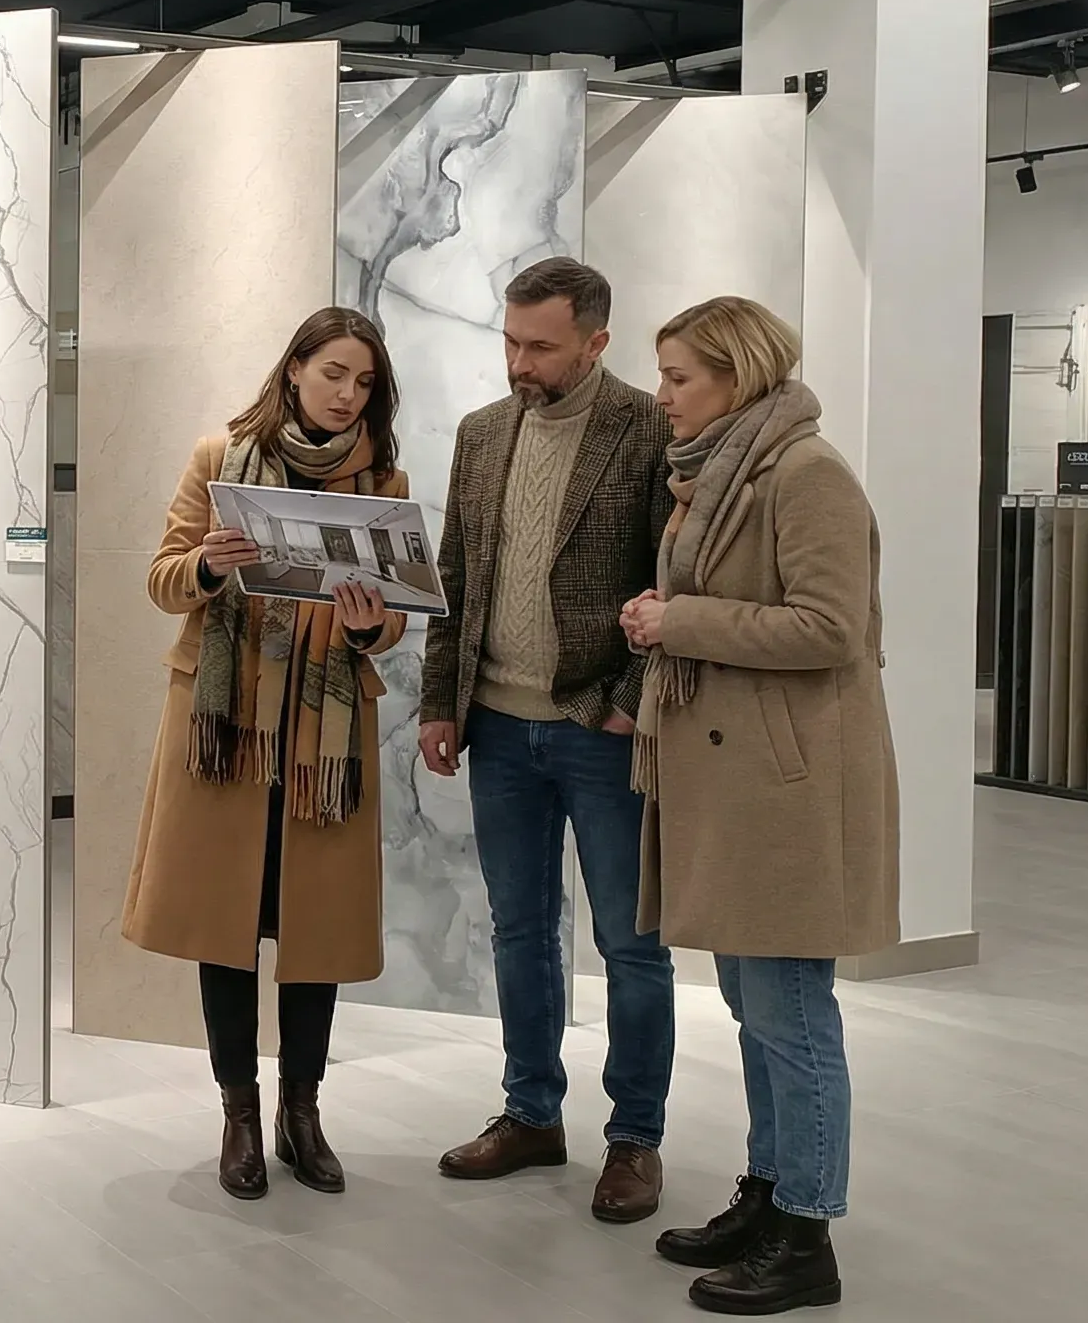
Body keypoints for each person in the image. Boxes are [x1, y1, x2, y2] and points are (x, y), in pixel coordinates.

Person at [621, 295, 896, 1316]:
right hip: (735, 783)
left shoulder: (806, 473)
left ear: (735, 376)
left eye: (678, 376)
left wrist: (680, 620)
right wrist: (665, 619)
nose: (662, 396)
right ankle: (769, 1194)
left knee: (792, 1012)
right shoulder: (719, 471)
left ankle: (807, 1235)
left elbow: (831, 628)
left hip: (789, 786)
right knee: (754, 1007)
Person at [121, 306, 411, 1201]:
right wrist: (209, 566)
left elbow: (393, 619)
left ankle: (302, 1113)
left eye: (364, 382)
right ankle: (240, 1114)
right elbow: (164, 580)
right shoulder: (221, 458)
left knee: (315, 929)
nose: (347, 394)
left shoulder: (382, 480)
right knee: (227, 926)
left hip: (326, 742)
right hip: (227, 733)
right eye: (333, 373)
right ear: (294, 369)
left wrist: (368, 627)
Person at [418, 256, 681, 1223]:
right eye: (510, 341)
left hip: (601, 729)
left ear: (596, 342)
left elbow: (674, 581)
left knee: (630, 942)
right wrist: (441, 701)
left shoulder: (650, 429)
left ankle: (635, 1138)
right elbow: (455, 575)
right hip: (496, 725)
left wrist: (629, 701)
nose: (519, 363)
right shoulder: (483, 432)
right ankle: (531, 1114)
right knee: (520, 929)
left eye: (541, 346)